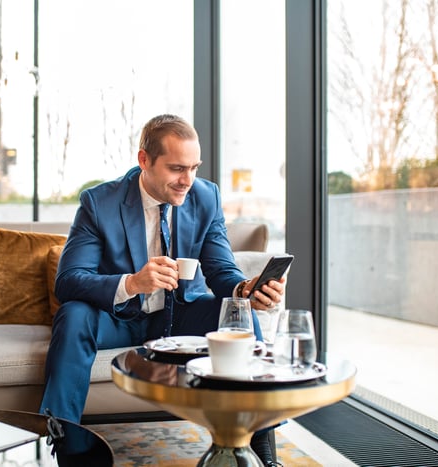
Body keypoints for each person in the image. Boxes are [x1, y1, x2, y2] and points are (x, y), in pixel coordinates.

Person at [39, 114, 285, 464]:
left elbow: (219, 268)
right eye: (176, 169)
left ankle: (261, 452)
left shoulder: (205, 197)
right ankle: (62, 449)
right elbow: (69, 281)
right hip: (119, 317)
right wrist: (132, 283)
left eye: (194, 168)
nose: (188, 180)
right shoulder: (100, 203)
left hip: (181, 314)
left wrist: (245, 289)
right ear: (144, 161)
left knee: (239, 316)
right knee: (73, 314)